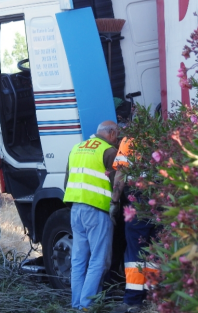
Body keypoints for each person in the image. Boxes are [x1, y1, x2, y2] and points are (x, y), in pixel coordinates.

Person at [63, 120, 124, 310]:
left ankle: (77, 304)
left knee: (79, 259)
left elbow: (67, 180)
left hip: (76, 209)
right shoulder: (108, 151)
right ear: (112, 133)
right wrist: (115, 204)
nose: (117, 141)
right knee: (99, 259)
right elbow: (118, 184)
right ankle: (87, 306)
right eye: (117, 136)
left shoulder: (77, 148)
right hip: (97, 211)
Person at [112, 137, 160, 313]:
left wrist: (114, 202)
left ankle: (133, 301)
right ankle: (154, 299)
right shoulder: (172, 134)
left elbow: (121, 173)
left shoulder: (130, 140)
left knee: (135, 250)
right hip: (165, 198)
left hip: (139, 198)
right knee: (158, 249)